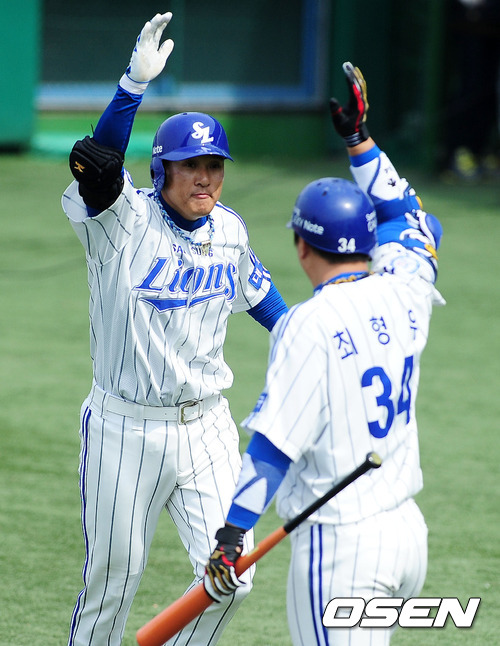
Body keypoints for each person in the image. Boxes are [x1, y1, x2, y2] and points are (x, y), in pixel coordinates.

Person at [61, 13, 288, 646]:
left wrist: (312, 338)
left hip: (206, 428)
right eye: (191, 165)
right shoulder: (121, 222)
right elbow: (101, 163)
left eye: (215, 164)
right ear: (162, 170)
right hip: (123, 429)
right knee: (112, 584)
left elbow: (266, 302)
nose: (206, 177)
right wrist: (132, 87)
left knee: (231, 577)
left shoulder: (230, 230)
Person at [204, 62, 445, 646]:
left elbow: (272, 449)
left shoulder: (305, 325)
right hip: (407, 535)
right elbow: (407, 215)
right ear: (368, 242)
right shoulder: (409, 287)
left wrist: (232, 537)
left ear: (300, 246)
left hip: (342, 545)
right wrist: (360, 141)